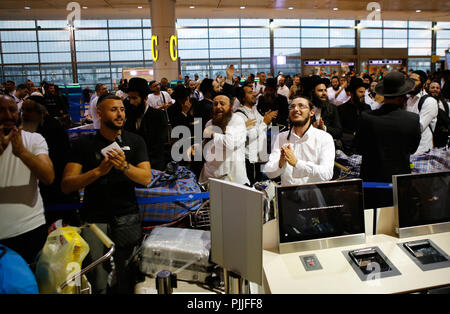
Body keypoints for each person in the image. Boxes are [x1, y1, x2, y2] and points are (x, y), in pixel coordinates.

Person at [61, 94, 151, 294]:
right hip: (94, 219)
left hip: (127, 216)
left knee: (128, 274)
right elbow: (67, 184)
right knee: (97, 278)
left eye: (122, 109)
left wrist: (125, 166)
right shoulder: (84, 144)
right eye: (114, 109)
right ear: (99, 113)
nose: (120, 113)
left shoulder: (135, 141)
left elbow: (146, 178)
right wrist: (98, 172)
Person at [0, 95, 55, 264]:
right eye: (1, 110)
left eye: (12, 110)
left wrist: (22, 152)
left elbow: (48, 176)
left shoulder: (33, 139)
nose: (8, 115)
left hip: (29, 229)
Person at [354, 71, 421, 209]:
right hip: (399, 183)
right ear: (403, 97)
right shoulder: (412, 120)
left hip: (371, 183)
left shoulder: (366, 118)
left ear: (383, 95)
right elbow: (413, 149)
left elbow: (358, 148)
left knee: (372, 224)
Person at [263, 96, 335, 186]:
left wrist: (297, 163)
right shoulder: (281, 137)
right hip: (286, 195)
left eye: (301, 106)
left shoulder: (324, 138)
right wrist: (280, 164)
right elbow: (269, 172)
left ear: (312, 112)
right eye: (292, 107)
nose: (296, 109)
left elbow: (327, 174)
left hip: (313, 195)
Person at [199, 94, 249, 186]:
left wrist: (213, 134)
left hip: (232, 178)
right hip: (210, 176)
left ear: (230, 106)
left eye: (222, 104)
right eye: (215, 104)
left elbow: (230, 143)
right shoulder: (209, 123)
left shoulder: (237, 120)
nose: (218, 107)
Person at [123, 77, 169, 171]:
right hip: (133, 167)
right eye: (129, 98)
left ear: (145, 98)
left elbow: (159, 145)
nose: (131, 102)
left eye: (135, 98)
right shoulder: (130, 115)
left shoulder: (158, 115)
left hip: (153, 166)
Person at [234, 85, 277, 185]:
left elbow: (263, 128)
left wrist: (268, 120)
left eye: (253, 91)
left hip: (259, 158)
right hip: (249, 160)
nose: (254, 94)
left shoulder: (255, 110)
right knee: (251, 188)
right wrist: (265, 122)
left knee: (260, 186)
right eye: (250, 92)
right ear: (243, 97)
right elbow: (250, 136)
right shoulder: (239, 115)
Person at [406, 70, 438, 154]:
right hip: (407, 150)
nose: (411, 83)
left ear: (423, 84)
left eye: (414, 80)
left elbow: (418, 128)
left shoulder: (429, 101)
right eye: (409, 80)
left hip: (422, 151)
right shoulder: (407, 99)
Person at [338, 78, 372, 155]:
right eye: (360, 92)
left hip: (365, 147)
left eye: (364, 92)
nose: (363, 94)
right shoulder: (341, 109)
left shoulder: (367, 108)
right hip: (348, 148)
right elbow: (340, 129)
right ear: (352, 93)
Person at [308, 77, 343, 141]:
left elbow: (339, 132)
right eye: (320, 90)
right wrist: (312, 128)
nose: (324, 93)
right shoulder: (307, 109)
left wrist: (324, 128)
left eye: (325, 90)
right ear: (313, 93)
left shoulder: (332, 108)